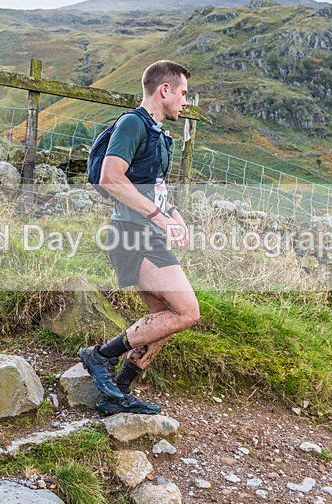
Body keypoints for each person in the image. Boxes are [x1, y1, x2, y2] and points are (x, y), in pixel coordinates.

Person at [78, 60, 201, 415]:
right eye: (183, 93)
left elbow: (151, 187)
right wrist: (158, 218)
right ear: (165, 90)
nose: (185, 101)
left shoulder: (158, 133)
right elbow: (110, 178)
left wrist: (173, 214)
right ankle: (100, 356)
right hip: (132, 235)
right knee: (188, 311)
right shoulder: (133, 123)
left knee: (164, 319)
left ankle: (117, 394)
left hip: (146, 234)